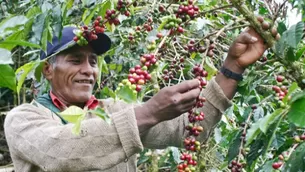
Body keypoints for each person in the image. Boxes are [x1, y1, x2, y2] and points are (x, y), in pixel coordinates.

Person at [4, 17, 279, 171]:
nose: (88, 70)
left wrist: (232, 67)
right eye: (75, 60)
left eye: (93, 61)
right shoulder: (24, 118)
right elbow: (60, 152)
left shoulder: (113, 109)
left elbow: (189, 130)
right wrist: (148, 112)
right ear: (48, 71)